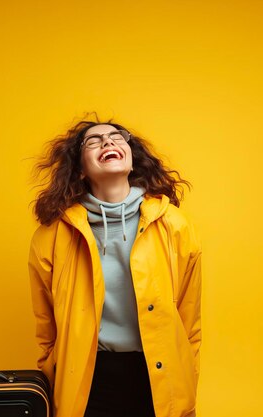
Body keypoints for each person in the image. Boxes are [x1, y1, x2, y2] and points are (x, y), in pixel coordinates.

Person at [28, 117, 202, 417]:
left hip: (158, 375)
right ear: (80, 169)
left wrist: (186, 376)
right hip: (88, 378)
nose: (108, 142)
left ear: (132, 159)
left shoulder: (173, 224)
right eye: (93, 141)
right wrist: (53, 370)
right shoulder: (52, 234)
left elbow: (189, 319)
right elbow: (46, 326)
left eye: (118, 137)